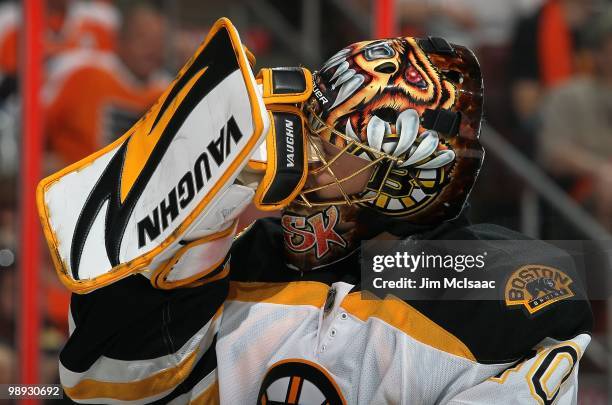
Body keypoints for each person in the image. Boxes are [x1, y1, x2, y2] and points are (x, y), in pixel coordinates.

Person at [39, 19, 592, 404]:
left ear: (402, 180)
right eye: (309, 124)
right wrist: (196, 224)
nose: (305, 151)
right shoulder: (242, 255)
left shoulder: (502, 289)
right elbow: (102, 388)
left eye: (332, 144)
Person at [43, 3, 169, 166]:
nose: (150, 49)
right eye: (142, 38)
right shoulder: (83, 73)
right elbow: (36, 127)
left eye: (158, 42)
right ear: (121, 39)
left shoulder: (168, 91)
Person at [538, 7, 612, 229]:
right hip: (586, 193)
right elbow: (553, 152)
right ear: (597, 52)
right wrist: (600, 170)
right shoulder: (567, 95)